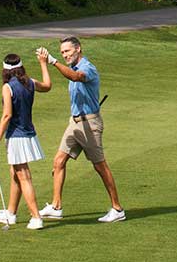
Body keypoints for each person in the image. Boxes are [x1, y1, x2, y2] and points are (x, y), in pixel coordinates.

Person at [35, 36, 125, 224]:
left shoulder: (87, 68)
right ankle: (56, 206)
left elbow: (76, 77)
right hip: (74, 123)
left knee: (100, 166)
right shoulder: (72, 68)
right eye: (62, 53)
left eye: (67, 51)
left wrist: (53, 61)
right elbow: (71, 74)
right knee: (58, 161)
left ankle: (117, 209)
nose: (65, 55)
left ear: (78, 49)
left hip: (90, 124)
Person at [0, 53, 52, 230]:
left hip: (17, 136)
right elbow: (47, 86)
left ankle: (36, 217)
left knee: (24, 176)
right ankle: (11, 213)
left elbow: (7, 115)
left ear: (5, 71)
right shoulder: (30, 82)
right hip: (29, 133)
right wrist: (43, 64)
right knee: (15, 173)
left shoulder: (8, 87)